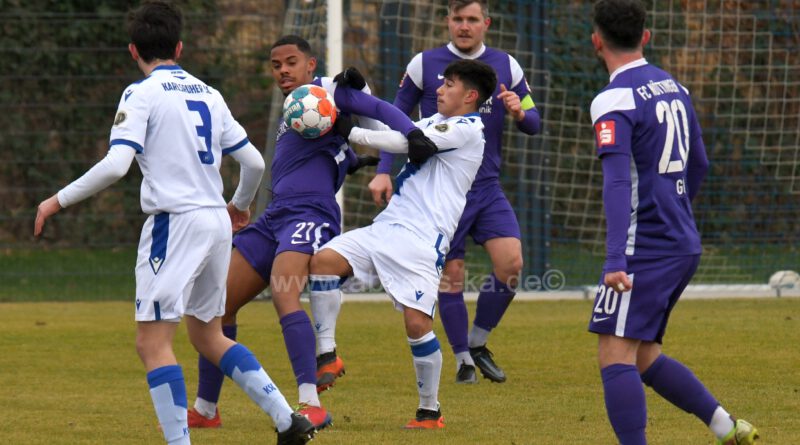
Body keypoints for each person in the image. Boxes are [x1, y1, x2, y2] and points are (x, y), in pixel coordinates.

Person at [33, 2, 314, 444]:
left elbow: (115, 165)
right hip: (215, 223)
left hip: (175, 224)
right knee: (207, 334)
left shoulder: (141, 94)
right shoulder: (209, 93)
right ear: (179, 46)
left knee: (152, 343)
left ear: (133, 51)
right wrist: (238, 205)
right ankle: (289, 420)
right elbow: (255, 162)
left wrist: (55, 200)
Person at [187, 35, 437, 430]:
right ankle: (205, 410)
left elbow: (377, 108)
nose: (283, 70)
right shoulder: (297, 107)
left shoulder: (330, 90)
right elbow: (320, 151)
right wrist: (349, 160)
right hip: (273, 216)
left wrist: (412, 134)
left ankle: (310, 402)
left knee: (284, 290)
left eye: (291, 62)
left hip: (311, 214)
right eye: (275, 65)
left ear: (310, 64)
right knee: (216, 305)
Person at [587, 1, 759, 444]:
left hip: (644, 245)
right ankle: (727, 427)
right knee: (644, 355)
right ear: (646, 37)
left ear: (596, 40)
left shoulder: (614, 98)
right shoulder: (674, 86)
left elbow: (617, 182)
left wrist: (615, 259)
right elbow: (698, 163)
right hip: (680, 239)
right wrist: (676, 210)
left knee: (615, 354)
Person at [308, 58, 496, 429]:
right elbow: (394, 129)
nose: (439, 89)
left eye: (450, 84)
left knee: (416, 323)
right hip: (388, 226)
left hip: (421, 239)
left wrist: (346, 130)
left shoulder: (468, 129)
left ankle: (430, 411)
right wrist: (362, 95)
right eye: (441, 83)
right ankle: (327, 353)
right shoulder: (432, 123)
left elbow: (398, 139)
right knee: (324, 262)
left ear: (470, 96)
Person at [369, 0, 541, 384]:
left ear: (486, 24)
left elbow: (534, 121)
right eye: (458, 19)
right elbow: (393, 119)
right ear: (448, 21)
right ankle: (464, 361)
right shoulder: (423, 65)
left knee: (511, 265)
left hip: (486, 186)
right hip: (441, 192)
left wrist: (519, 112)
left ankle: (478, 342)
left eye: (472, 20)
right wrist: (383, 171)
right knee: (452, 276)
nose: (464, 26)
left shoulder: (507, 66)